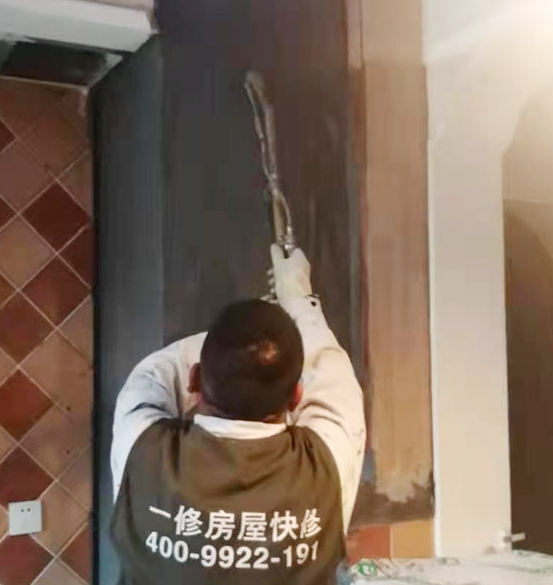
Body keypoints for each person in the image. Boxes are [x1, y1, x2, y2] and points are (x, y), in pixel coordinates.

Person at [110, 245, 366, 584]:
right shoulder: (328, 457)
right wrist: (295, 296)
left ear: (195, 378)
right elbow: (329, 367)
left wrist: (239, 343)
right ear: (296, 397)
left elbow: (156, 373)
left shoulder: (140, 444)